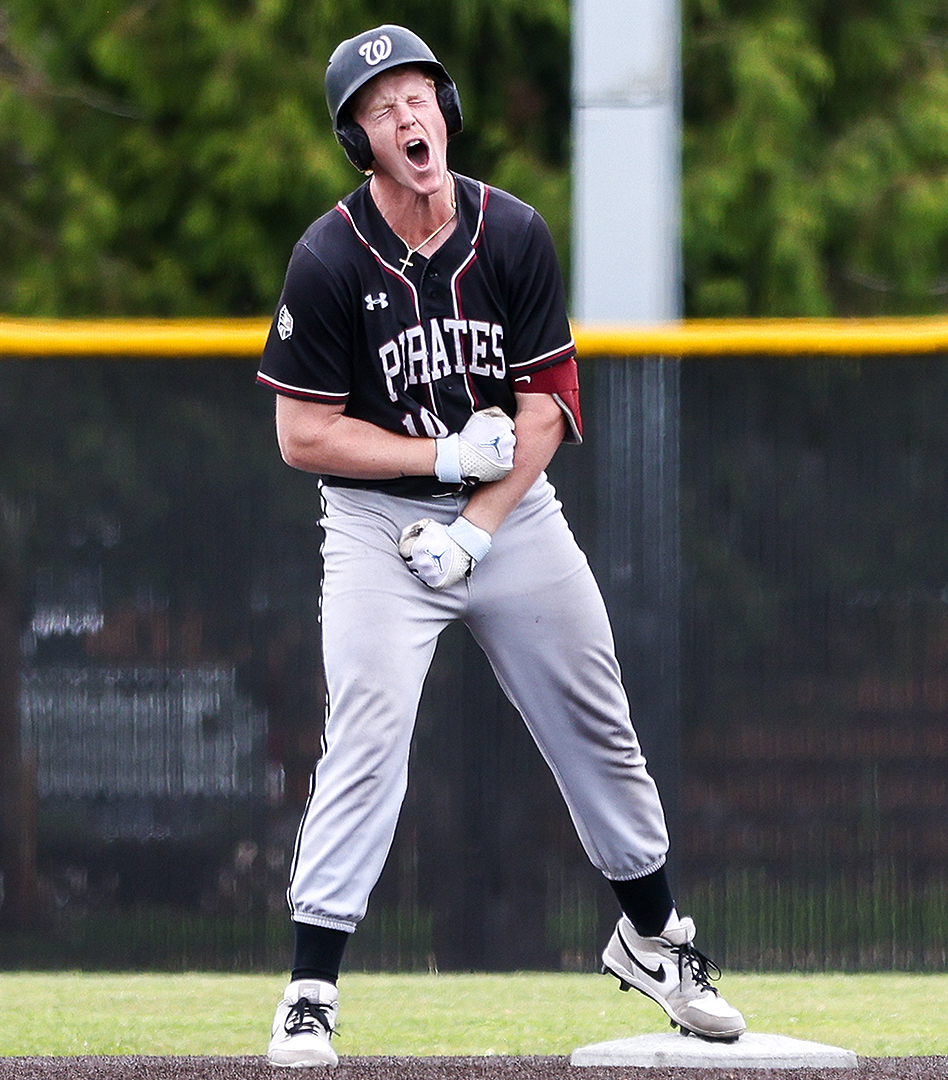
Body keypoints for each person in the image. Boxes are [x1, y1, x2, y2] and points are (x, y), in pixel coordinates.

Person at [255, 24, 746, 1068]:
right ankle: (308, 993)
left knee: (595, 718)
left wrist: (477, 527)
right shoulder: (329, 256)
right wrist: (434, 459)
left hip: (510, 516)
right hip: (377, 525)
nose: (406, 115)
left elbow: (549, 403)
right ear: (359, 140)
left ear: (446, 106)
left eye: (418, 94)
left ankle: (655, 940)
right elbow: (302, 434)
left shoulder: (512, 232)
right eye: (381, 107)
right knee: (369, 730)